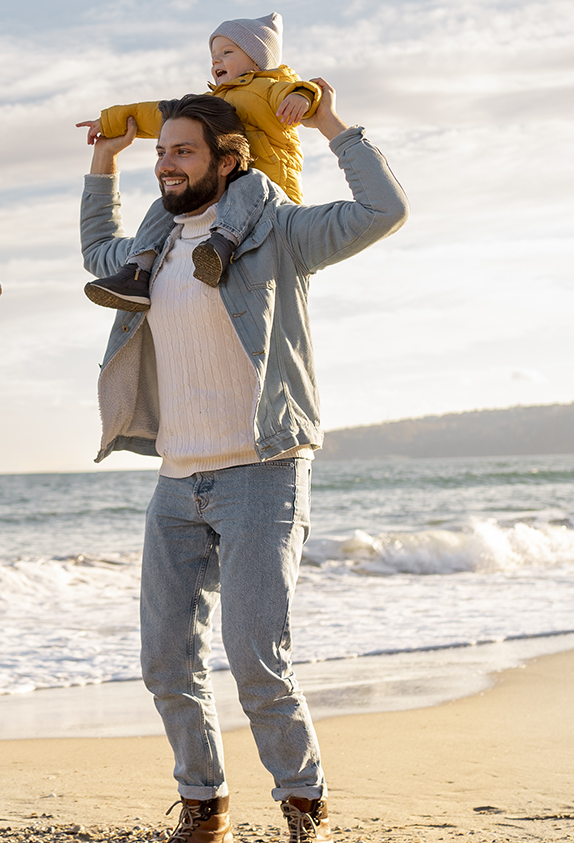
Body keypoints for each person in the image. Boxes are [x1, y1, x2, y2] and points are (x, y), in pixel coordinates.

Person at [77, 80, 406, 843]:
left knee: (255, 658)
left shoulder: (278, 233)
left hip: (263, 468)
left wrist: (329, 123)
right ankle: (203, 805)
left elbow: (381, 212)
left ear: (227, 160)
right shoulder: (153, 247)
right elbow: (98, 250)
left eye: (181, 151)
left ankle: (302, 805)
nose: (165, 164)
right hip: (175, 479)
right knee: (164, 661)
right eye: (160, 152)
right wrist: (102, 163)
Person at [76, 13, 323, 308]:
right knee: (165, 204)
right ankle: (138, 269)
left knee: (251, 182)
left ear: (257, 62)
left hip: (271, 202)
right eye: (213, 55)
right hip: (226, 200)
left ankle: (220, 247)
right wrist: (110, 123)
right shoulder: (215, 105)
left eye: (227, 52)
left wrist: (303, 97)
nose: (216, 61)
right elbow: (157, 114)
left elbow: (300, 90)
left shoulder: (268, 89)